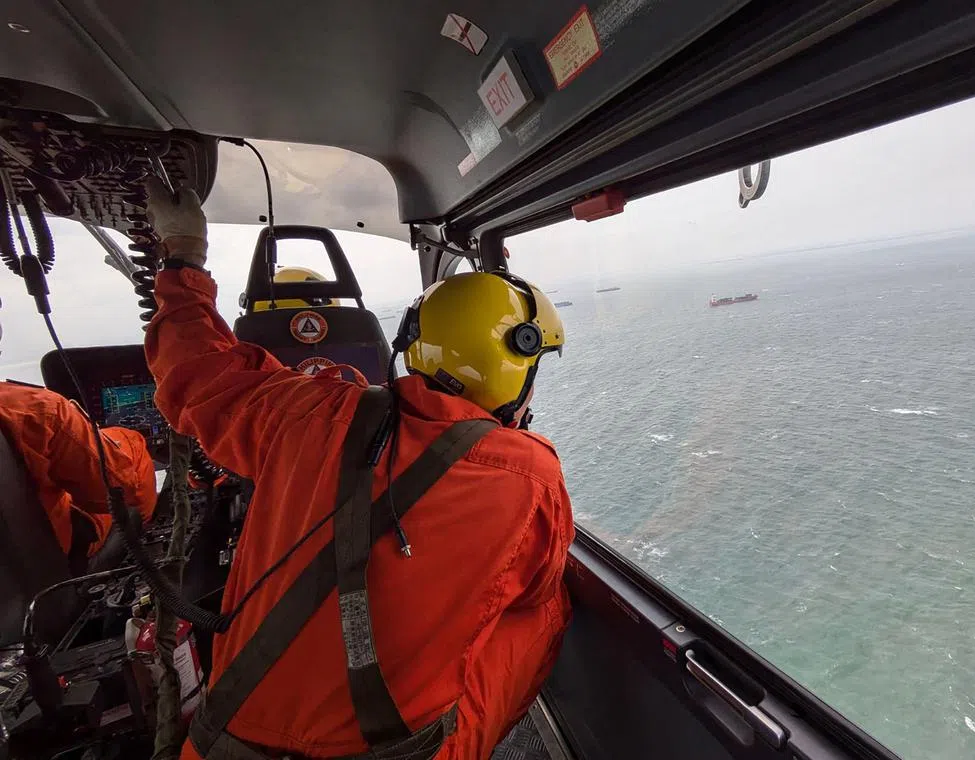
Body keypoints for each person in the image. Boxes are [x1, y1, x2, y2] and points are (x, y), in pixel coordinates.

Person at [142, 177, 574, 760]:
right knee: (544, 608)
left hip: (219, 747)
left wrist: (183, 256)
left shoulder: (299, 409)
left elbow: (192, 367)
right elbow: (537, 579)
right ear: (514, 367)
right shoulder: (529, 477)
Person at [0, 309, 157, 567]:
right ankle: (144, 545)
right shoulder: (36, 411)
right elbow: (117, 490)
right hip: (56, 557)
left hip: (13, 579)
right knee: (130, 445)